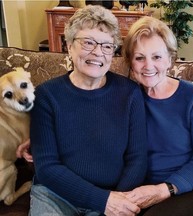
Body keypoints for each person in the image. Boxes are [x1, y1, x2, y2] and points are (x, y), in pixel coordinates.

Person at [26, 5, 147, 216]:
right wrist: (104, 200)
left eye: (107, 46)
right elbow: (46, 168)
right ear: (69, 46)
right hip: (56, 196)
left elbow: (138, 158)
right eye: (88, 42)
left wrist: (116, 200)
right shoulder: (46, 95)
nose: (98, 52)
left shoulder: (130, 93)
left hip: (114, 194)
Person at [121, 16, 193, 215]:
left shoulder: (192, 97)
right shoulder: (127, 98)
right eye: (139, 58)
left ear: (170, 59)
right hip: (145, 189)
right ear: (130, 62)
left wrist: (163, 190)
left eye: (157, 57)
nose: (148, 66)